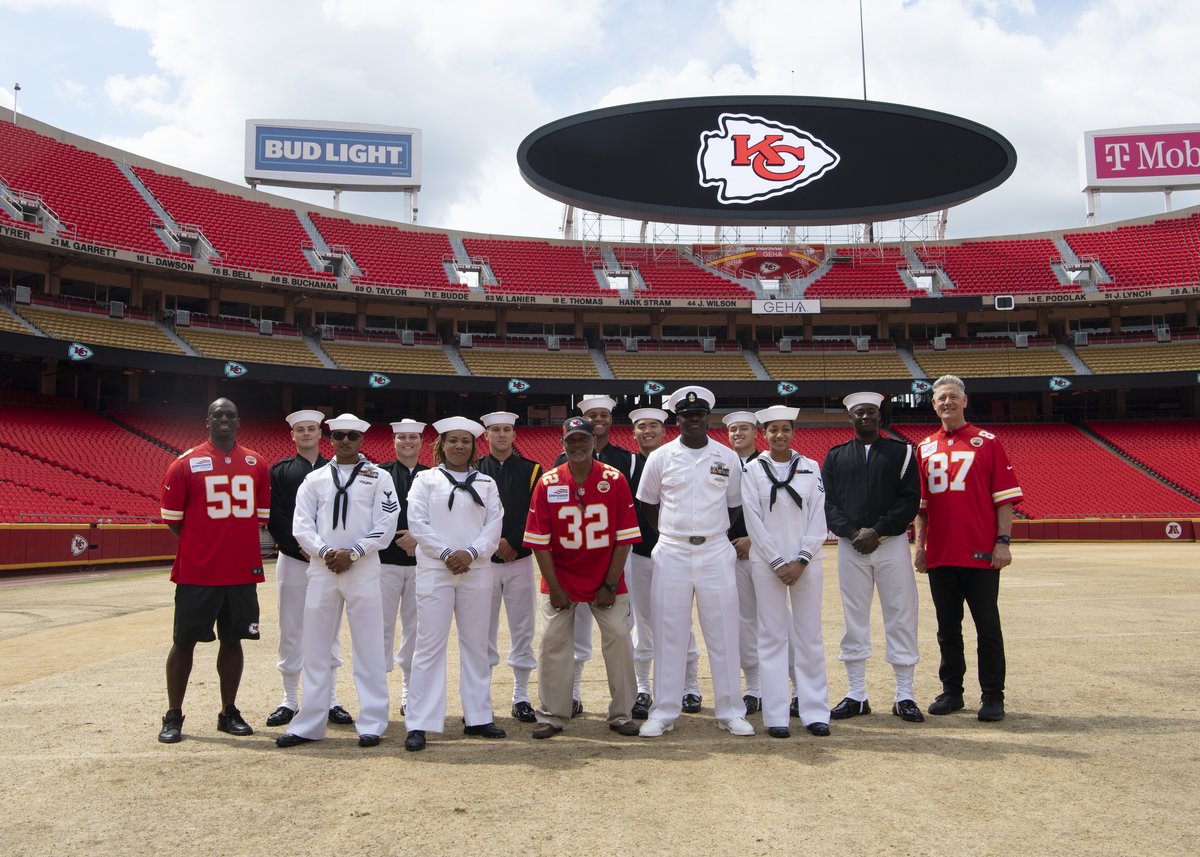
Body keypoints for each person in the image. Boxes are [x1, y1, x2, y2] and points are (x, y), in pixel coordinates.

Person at [636, 386, 753, 738]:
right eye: (687, 416)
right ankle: (665, 710)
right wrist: (676, 535)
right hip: (672, 549)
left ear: (708, 418)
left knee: (723, 632)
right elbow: (648, 505)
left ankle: (731, 709)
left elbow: (735, 506)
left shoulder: (727, 457)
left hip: (716, 549)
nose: (694, 420)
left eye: (699, 415)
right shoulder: (660, 457)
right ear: (678, 419)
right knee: (669, 631)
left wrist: (706, 533)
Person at [276, 414, 397, 748]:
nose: (345, 440)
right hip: (322, 569)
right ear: (329, 439)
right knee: (315, 648)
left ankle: (372, 721)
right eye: (339, 435)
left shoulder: (379, 477)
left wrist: (354, 552)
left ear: (362, 440)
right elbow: (301, 525)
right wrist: (328, 551)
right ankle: (309, 723)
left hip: (363, 569)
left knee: (369, 647)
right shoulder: (315, 479)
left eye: (352, 436)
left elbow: (387, 522)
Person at [157, 398, 271, 743]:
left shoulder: (257, 463)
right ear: (207, 420)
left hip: (240, 571)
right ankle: (173, 714)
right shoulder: (185, 464)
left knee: (234, 640)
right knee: (183, 642)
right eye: (218, 414)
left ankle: (228, 711)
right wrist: (202, 545)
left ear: (239, 421)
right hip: (198, 572)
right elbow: (174, 521)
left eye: (230, 415)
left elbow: (259, 520)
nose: (224, 419)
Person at [523, 416, 641, 738]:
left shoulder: (614, 480)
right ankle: (553, 714)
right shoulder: (548, 483)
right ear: (562, 444)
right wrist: (556, 588)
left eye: (583, 440)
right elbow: (539, 542)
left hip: (605, 577)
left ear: (593, 442)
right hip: (561, 578)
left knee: (618, 637)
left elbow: (624, 538)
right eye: (571, 440)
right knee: (551, 642)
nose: (577, 445)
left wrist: (610, 584)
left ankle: (621, 713)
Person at [914, 375, 1023, 723]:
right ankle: (952, 691)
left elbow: (1004, 500)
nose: (946, 402)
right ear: (933, 405)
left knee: (987, 627)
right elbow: (922, 507)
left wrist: (1002, 542)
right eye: (940, 398)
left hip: (980, 552)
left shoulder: (988, 442)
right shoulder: (924, 448)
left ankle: (993, 695)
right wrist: (920, 547)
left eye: (952, 397)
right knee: (947, 629)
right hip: (941, 553)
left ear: (965, 401)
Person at [402, 417, 504, 751]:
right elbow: (417, 521)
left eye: (465, 441)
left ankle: (478, 716)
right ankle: (420, 721)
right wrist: (447, 553)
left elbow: (494, 524)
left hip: (476, 570)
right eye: (452, 440)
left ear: (475, 446)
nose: (459, 446)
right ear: (440, 445)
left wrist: (470, 553)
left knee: (476, 645)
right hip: (435, 569)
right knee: (429, 646)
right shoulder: (424, 480)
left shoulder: (486, 482)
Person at [822, 392, 925, 724]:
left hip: (892, 544)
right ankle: (856, 694)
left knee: (901, 614)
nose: (865, 417)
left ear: (880, 417)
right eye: (858, 413)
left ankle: (904, 694)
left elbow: (910, 500)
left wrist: (877, 532)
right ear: (849, 418)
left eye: (871, 412)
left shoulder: (903, 452)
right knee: (854, 619)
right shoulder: (835, 457)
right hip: (850, 547)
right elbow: (830, 505)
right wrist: (854, 534)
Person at [740, 405, 830, 738]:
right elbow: (754, 522)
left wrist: (802, 558)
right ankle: (776, 715)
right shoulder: (752, 470)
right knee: (772, 638)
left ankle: (814, 711)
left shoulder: (810, 467)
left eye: (786, 429)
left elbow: (819, 517)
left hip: (807, 563)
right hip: (768, 565)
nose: (780, 435)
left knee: (809, 638)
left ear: (793, 432)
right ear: (764, 434)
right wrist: (778, 561)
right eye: (773, 429)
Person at [265, 409, 353, 729]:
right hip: (293, 559)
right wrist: (300, 546)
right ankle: (289, 699)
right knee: (291, 631)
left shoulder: (340, 472)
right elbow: (275, 516)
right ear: (292, 435)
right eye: (300, 429)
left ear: (321, 434)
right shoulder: (280, 471)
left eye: (311, 429)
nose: (305, 433)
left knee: (329, 633)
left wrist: (326, 551)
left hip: (329, 563)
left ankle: (329, 699)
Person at [552, 395, 636, 716]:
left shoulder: (623, 460)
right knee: (576, 633)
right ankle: (572, 693)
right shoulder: (561, 461)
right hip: (575, 557)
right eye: (592, 415)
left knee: (620, 631)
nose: (599, 420)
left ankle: (630, 700)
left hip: (614, 553)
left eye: (604, 415)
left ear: (611, 420)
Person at [626, 406, 702, 719]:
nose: (648, 431)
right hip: (641, 554)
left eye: (654, 426)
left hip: (677, 555)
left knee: (681, 620)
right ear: (633, 432)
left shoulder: (679, 458)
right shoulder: (626, 463)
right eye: (642, 426)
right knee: (643, 623)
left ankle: (690, 686)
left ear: (664, 430)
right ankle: (643, 687)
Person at [478, 411, 543, 723]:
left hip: (519, 559)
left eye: (506, 430)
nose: (502, 435)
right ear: (486, 435)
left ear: (515, 435)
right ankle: (481, 698)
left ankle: (521, 695)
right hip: (483, 563)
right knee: (482, 631)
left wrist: (512, 541)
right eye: (495, 430)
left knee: (522, 628)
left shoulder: (533, 470)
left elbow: (535, 512)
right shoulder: (473, 470)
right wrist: (494, 544)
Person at [376, 418, 429, 716]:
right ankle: (378, 692)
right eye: (401, 437)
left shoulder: (432, 475)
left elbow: (438, 517)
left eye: (413, 437)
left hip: (421, 563)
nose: (407, 441)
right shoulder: (379, 474)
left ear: (421, 442)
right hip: (385, 563)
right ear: (394, 441)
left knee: (415, 629)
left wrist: (416, 538)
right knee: (380, 627)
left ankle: (409, 691)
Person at [723, 410, 763, 715]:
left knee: (778, 623)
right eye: (733, 429)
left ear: (755, 432)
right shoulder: (722, 464)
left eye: (744, 429)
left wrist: (754, 539)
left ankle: (797, 687)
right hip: (731, 554)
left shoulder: (768, 464)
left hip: (764, 553)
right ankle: (753, 688)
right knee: (744, 624)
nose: (738, 434)